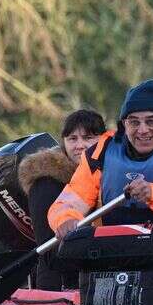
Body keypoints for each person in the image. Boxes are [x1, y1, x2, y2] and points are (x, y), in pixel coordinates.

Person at [49, 79, 153, 238]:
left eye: (151, 121)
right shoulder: (100, 153)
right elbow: (69, 202)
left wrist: (152, 194)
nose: (143, 130)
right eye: (134, 122)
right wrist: (66, 219)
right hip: (111, 249)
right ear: (124, 125)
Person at [17, 108, 107, 289]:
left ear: (103, 140)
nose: (79, 145)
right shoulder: (46, 182)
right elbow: (49, 250)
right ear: (63, 142)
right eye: (72, 139)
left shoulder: (109, 174)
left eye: (88, 138)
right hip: (57, 285)